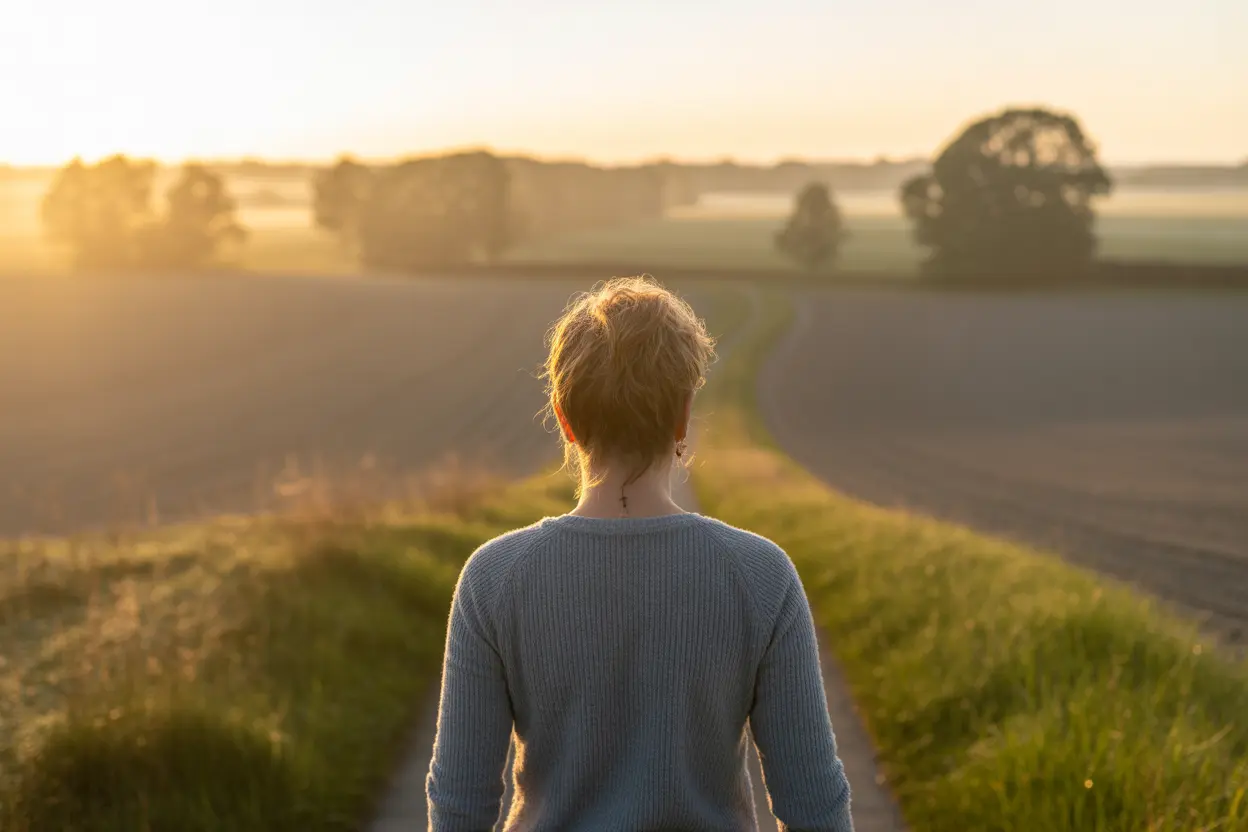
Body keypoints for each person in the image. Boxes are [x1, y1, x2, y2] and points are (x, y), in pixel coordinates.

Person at [427, 277, 853, 831]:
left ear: (565, 420)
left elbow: (459, 806)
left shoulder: (496, 578)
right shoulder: (759, 576)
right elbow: (815, 805)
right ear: (682, 415)